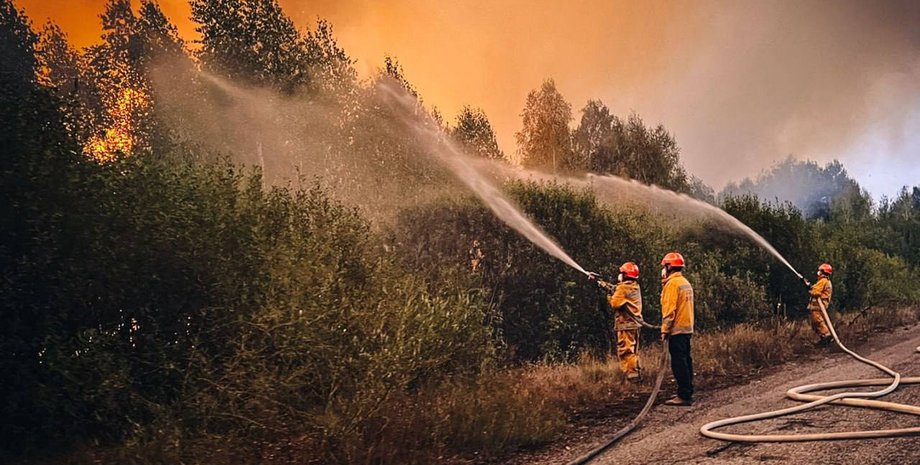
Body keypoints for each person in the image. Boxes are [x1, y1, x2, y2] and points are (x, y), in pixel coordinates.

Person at [659, 252, 695, 406]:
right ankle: (687, 391)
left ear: (669, 267)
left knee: (679, 363)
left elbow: (669, 309)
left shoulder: (672, 284)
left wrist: (665, 330)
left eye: (664, 266)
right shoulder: (684, 282)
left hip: (677, 330)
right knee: (686, 360)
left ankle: (684, 396)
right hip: (687, 329)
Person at [606, 262, 643, 381]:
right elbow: (618, 290)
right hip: (635, 324)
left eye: (621, 273)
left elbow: (615, 303)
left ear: (625, 275)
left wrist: (608, 296)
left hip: (625, 324)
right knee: (633, 350)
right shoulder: (634, 286)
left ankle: (632, 375)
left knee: (625, 350)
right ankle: (636, 372)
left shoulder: (622, 288)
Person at [807, 263, 834, 346]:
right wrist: (808, 285)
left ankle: (827, 336)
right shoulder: (824, 281)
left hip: (818, 306)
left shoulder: (823, 281)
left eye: (820, 271)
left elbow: (815, 292)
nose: (818, 272)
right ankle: (824, 339)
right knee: (815, 323)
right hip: (819, 305)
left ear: (823, 272)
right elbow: (814, 288)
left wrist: (809, 289)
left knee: (818, 321)